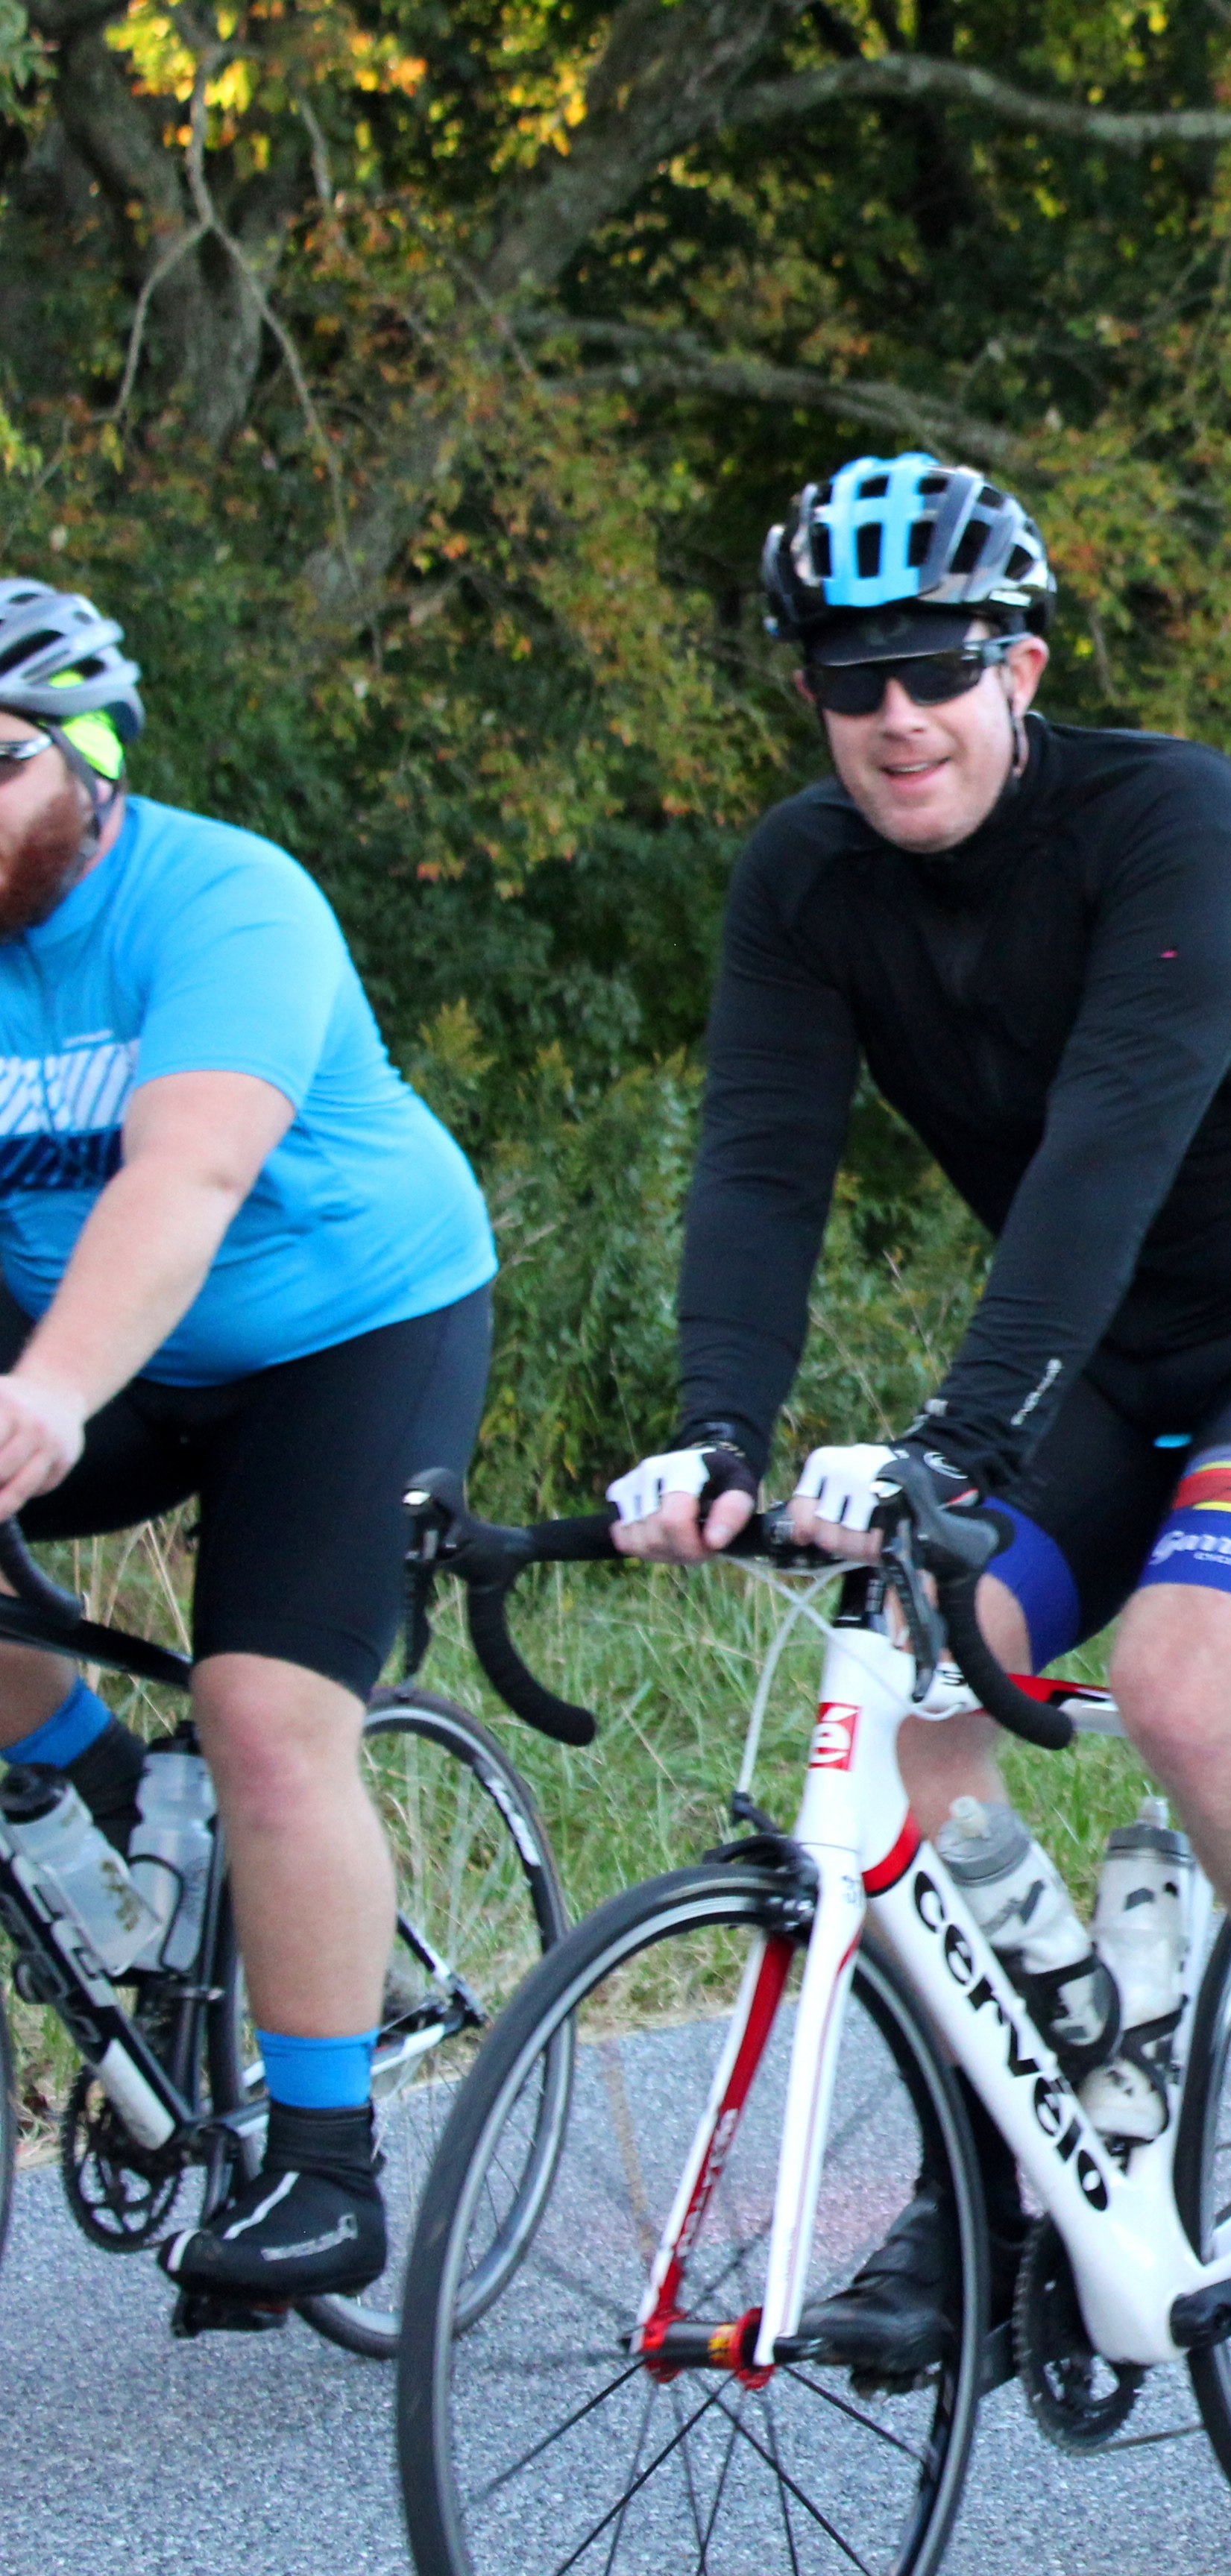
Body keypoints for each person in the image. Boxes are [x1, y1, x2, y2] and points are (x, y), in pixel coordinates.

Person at [606, 455, 1231, 2374]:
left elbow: (1108, 1145)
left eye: (935, 668)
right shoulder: (804, 878)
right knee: (907, 1677)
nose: (896, 715)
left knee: (1179, 1681)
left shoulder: (1170, 817)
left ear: (1021, 666)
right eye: (851, 680)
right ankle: (1009, 2156)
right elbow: (760, 1161)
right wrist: (721, 1437)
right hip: (1107, 1358)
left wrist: (961, 1441)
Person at [0, 582, 497, 2321]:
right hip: (86, 1328)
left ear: (94, 769)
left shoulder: (224, 903)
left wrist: (49, 1396)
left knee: (272, 1713)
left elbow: (186, 1178)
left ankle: (324, 2157)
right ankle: (107, 1785)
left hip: (342, 1330)